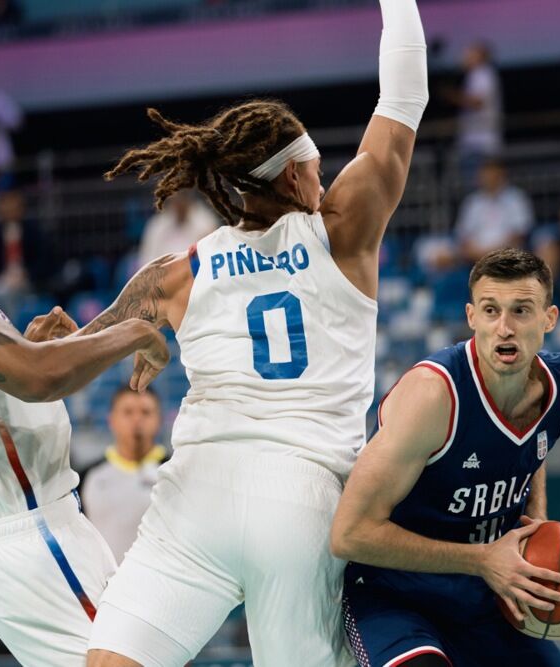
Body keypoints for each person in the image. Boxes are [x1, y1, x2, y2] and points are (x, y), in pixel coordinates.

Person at [83, 1, 428, 665]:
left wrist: (106, 337)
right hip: (301, 496)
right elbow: (405, 94)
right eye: (318, 167)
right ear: (295, 173)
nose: (324, 181)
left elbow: (75, 354)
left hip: (196, 489)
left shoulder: (177, 271)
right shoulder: (340, 230)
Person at [0, 150, 170, 666]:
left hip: (26, 536)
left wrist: (24, 356)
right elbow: (41, 378)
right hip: (35, 533)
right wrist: (132, 331)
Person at [332, 249, 560, 667]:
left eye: (521, 311)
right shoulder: (434, 395)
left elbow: (533, 446)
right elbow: (349, 534)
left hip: (485, 598)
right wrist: (483, 559)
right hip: (393, 596)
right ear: (471, 317)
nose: (505, 328)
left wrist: (536, 519)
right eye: (491, 310)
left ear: (549, 319)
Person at [78, 385, 167, 563]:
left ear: (159, 420)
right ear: (111, 420)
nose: (137, 419)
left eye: (146, 412)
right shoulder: (87, 477)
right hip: (103, 579)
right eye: (128, 412)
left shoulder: (175, 474)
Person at [443, 41, 503, 185]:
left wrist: (452, 96)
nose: (465, 56)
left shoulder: (483, 74)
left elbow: (477, 102)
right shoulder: (474, 75)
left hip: (481, 143)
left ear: (480, 56)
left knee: (479, 186)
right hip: (472, 142)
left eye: (470, 53)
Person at [455, 158, 533, 264]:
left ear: (502, 175)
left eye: (493, 175)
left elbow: (519, 235)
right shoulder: (472, 202)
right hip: (476, 257)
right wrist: (476, 253)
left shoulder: (516, 198)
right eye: (486, 175)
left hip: (507, 256)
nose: (489, 179)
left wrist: (494, 253)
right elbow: (464, 236)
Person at [137, 189, 219, 268]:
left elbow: (212, 259)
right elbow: (147, 261)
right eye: (175, 197)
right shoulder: (157, 226)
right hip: (165, 274)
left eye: (183, 195)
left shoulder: (206, 223)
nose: (179, 201)